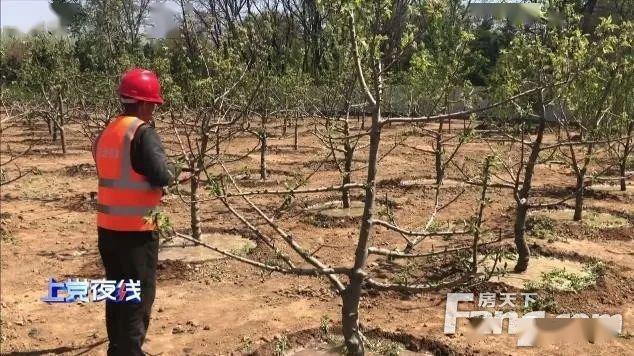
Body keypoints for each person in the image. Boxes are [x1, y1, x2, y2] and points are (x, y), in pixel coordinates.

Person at [92, 68, 173, 356]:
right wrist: (174, 176)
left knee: (116, 292)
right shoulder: (142, 133)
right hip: (136, 233)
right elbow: (160, 174)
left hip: (108, 230)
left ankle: (117, 348)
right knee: (138, 298)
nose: (153, 110)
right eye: (153, 104)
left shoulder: (107, 132)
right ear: (142, 103)